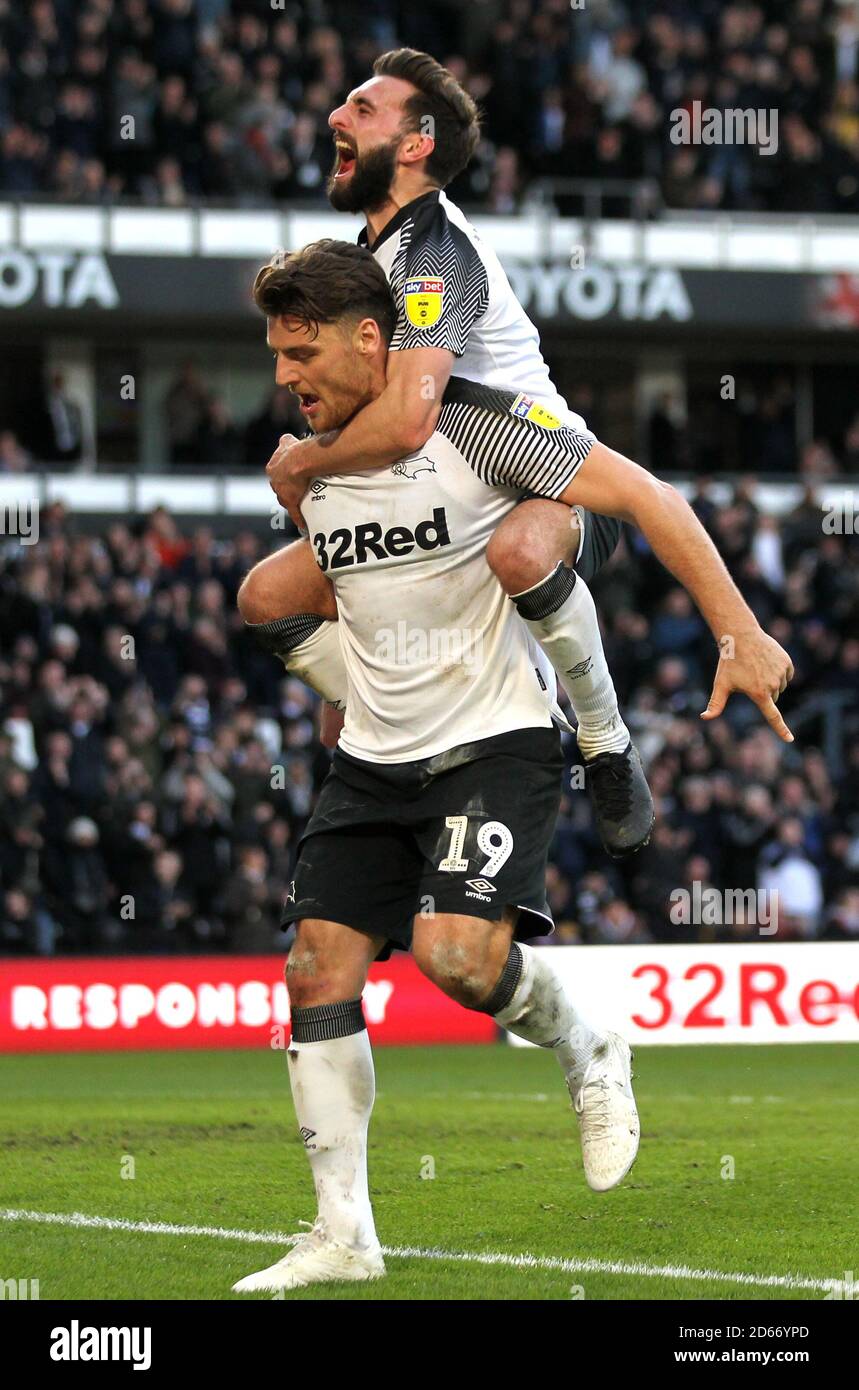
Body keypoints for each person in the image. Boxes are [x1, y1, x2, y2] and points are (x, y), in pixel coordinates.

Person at [231, 241, 794, 1293]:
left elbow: (645, 496)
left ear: (370, 339)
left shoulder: (473, 423)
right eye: (274, 355)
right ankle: (344, 1235)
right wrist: (351, 694)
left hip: (494, 740)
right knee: (314, 971)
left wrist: (738, 629)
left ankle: (589, 1046)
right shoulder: (304, 466)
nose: (284, 376)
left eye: (299, 351)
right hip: (371, 758)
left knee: (455, 960)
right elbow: (351, 590)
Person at [242, 48, 654, 861]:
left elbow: (402, 421)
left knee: (523, 547)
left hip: (542, 472)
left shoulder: (434, 250)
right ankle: (396, 719)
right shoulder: (362, 262)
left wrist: (306, 462)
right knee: (267, 597)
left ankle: (602, 740)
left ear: (417, 141)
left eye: (362, 108)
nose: (335, 116)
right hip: (442, 491)